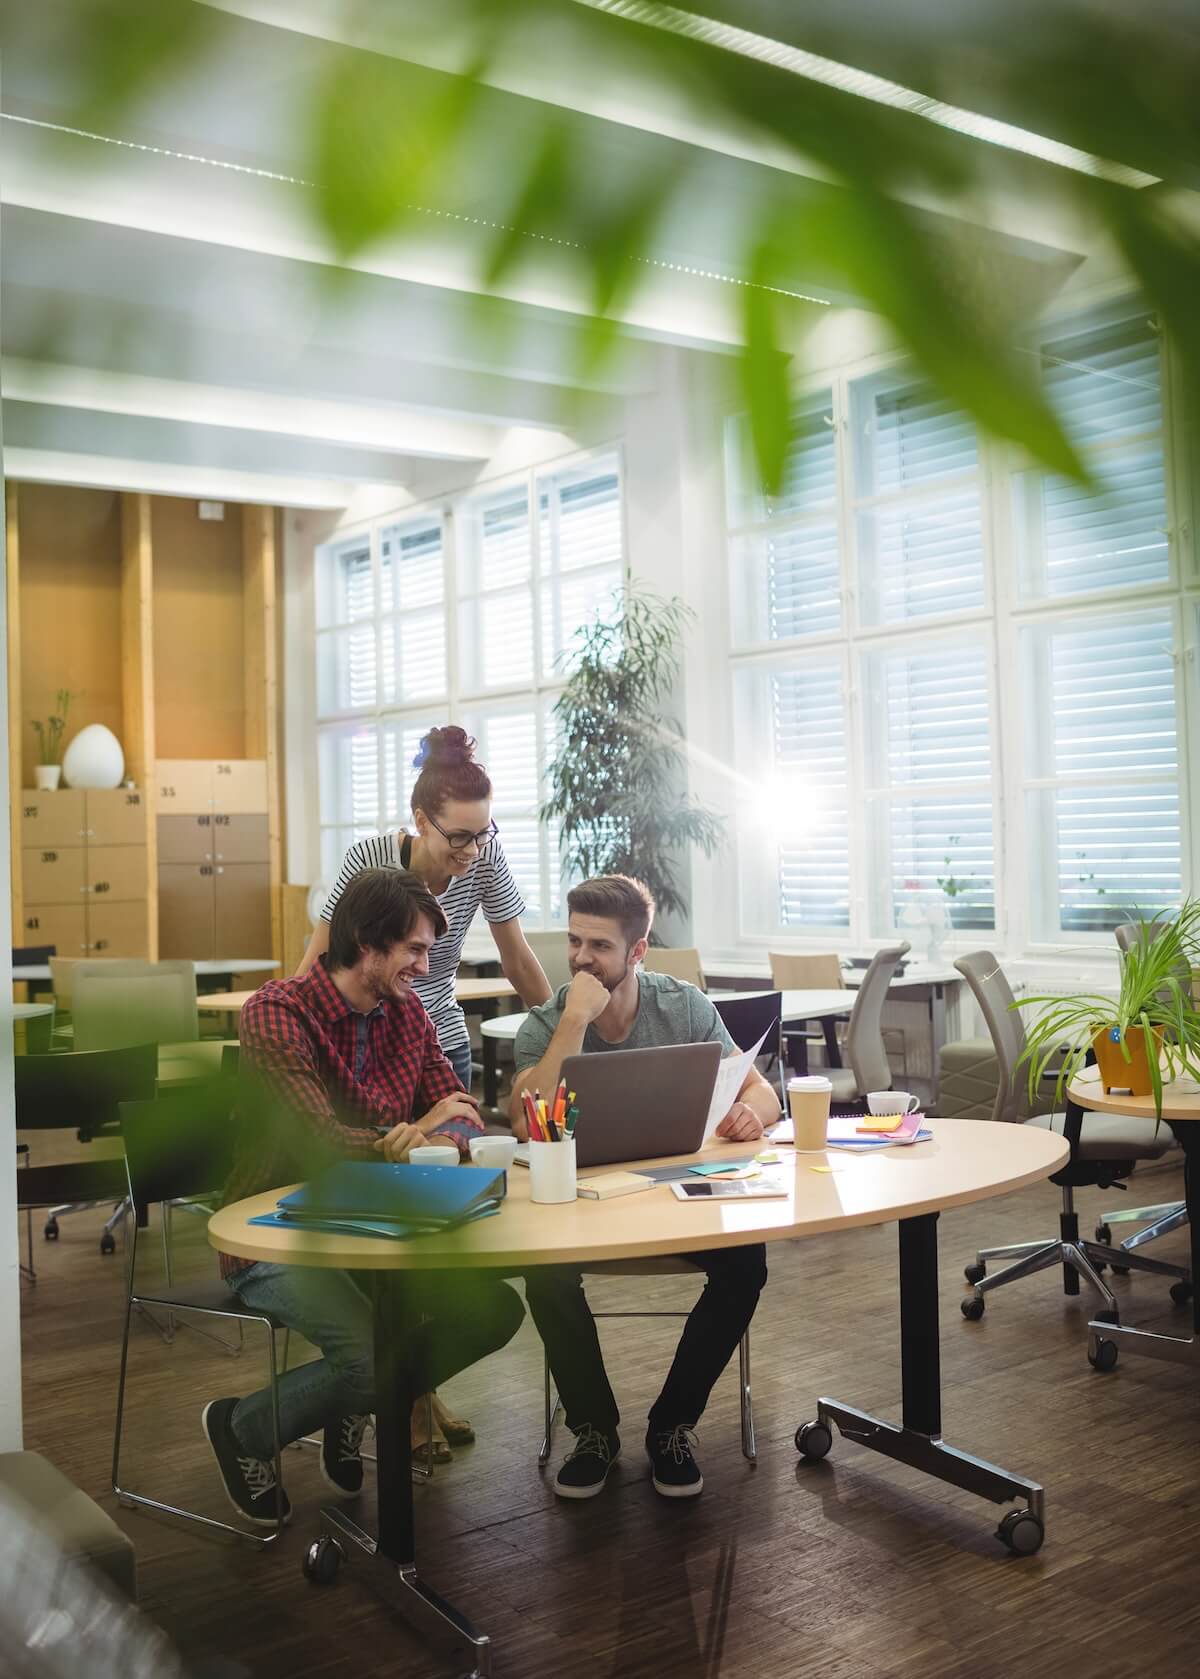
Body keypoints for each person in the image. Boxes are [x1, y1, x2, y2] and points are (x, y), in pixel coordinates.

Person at [205, 868, 524, 1528]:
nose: (425, 965)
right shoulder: (276, 1012)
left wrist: (441, 1126)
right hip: (276, 1234)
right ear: (366, 942)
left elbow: (460, 1110)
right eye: (414, 948)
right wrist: (405, 1134)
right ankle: (241, 1427)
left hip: (379, 1226)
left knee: (493, 1308)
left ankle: (347, 1403)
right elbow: (318, 1139)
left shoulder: (408, 1014)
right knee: (369, 1360)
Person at [299, 724, 551, 1461]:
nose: (471, 851)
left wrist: (563, 1029)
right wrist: (297, 1033)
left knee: (440, 1224)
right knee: (388, 1219)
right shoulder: (370, 862)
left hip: (435, 1038)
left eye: (483, 835)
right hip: (366, 1043)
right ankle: (406, 1404)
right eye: (457, 838)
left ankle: (421, 1386)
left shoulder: (485, 855)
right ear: (419, 820)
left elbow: (516, 952)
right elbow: (318, 960)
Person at [509, 874, 780, 1502]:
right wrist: (574, 1024)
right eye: (574, 941)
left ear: (638, 952)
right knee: (543, 1270)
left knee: (746, 1264)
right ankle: (593, 1431)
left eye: (599, 946)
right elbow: (527, 1120)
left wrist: (752, 1115)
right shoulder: (549, 1021)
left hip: (674, 1201)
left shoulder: (682, 1006)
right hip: (576, 1208)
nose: (580, 958)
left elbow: (759, 1090)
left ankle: (672, 1426)